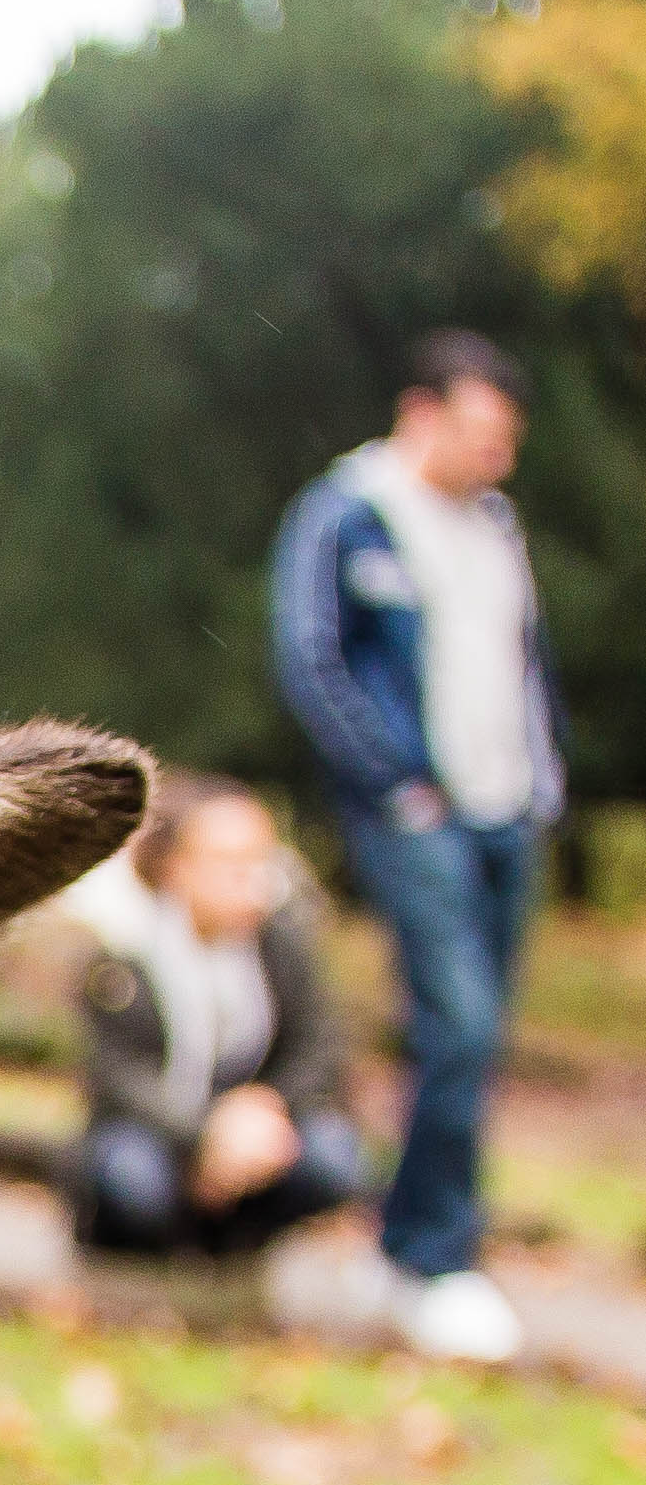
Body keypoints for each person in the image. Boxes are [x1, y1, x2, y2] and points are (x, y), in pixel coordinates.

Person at [271, 329, 563, 1365]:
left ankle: (405, 1242)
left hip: (506, 808)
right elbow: (311, 657)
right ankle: (437, 1261)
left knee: (471, 1041)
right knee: (459, 1026)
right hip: (419, 812)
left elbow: (519, 666)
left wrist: (542, 779)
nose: (499, 457)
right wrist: (396, 782)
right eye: (483, 433)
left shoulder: (495, 527)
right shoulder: (348, 517)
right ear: (422, 413)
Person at [63, 776, 368, 1259]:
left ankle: (241, 1236)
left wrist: (265, 1110)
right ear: (176, 866)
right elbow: (114, 1074)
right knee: (130, 1178)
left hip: (257, 1135)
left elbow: (320, 1046)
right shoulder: (122, 951)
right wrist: (207, 1130)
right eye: (231, 865)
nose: (254, 883)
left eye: (260, 863)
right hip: (159, 1132)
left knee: (332, 1157)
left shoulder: (281, 946)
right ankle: (144, 1247)